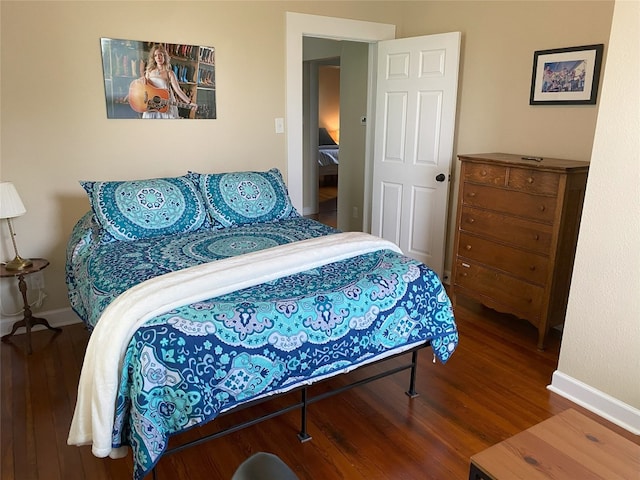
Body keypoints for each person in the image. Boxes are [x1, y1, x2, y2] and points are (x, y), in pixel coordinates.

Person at [138, 44, 196, 119]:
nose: (158, 57)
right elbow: (145, 88)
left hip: (165, 105)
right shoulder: (149, 71)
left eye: (160, 55)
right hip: (151, 105)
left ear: (164, 56)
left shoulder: (169, 73)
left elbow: (178, 90)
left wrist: (190, 102)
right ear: (153, 58)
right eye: (155, 55)